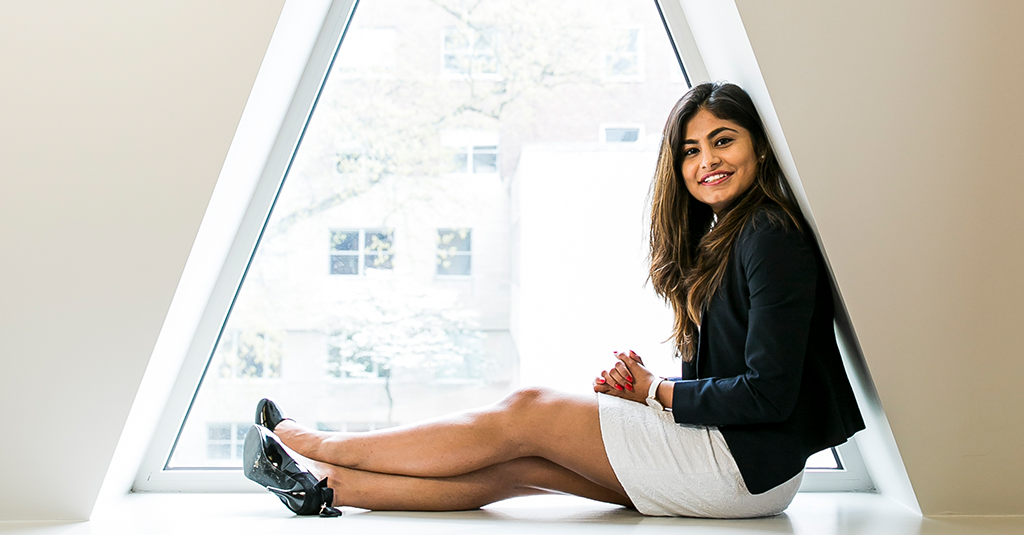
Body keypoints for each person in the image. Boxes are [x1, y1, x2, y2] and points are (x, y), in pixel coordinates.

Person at [242, 81, 864, 518]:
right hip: (743, 466)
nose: (707, 162)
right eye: (691, 151)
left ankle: (319, 444)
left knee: (528, 408)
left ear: (757, 145)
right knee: (520, 467)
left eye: (723, 141)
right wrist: (645, 389)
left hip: (743, 467)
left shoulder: (770, 236)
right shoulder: (728, 236)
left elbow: (767, 392)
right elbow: (737, 376)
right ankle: (325, 487)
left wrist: (654, 392)